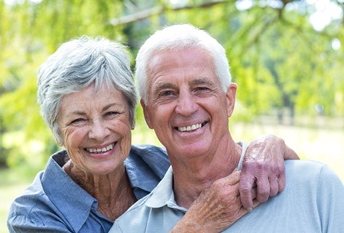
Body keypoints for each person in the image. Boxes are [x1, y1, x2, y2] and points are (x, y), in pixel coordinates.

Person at [7, 36, 298, 233]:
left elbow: (244, 165)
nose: (98, 133)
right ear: (57, 131)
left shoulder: (159, 163)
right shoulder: (34, 214)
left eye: (111, 113)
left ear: (134, 116)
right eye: (79, 120)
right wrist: (194, 226)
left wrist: (268, 145)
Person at [109, 24, 344, 233]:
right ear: (148, 114)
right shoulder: (129, 227)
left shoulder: (315, 188)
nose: (186, 107)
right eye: (167, 93)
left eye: (201, 87)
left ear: (229, 100)